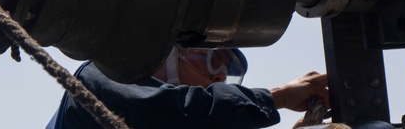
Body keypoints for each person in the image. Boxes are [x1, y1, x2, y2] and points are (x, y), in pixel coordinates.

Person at [47, 47, 330, 129]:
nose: (219, 77)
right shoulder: (99, 79)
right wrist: (278, 96)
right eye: (214, 59)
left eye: (228, 76)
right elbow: (184, 110)